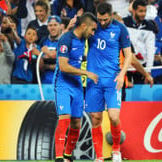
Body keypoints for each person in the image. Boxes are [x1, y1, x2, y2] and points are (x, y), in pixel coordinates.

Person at [85, 2, 152, 162]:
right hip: (93, 80)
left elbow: (130, 56)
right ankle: (99, 157)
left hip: (113, 80)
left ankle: (116, 151)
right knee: (95, 117)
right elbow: (75, 36)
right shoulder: (91, 26)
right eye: (100, 19)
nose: (102, 23)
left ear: (111, 14)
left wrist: (123, 74)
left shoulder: (120, 29)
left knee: (114, 117)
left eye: (105, 20)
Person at [54, 12, 98, 162]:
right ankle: (59, 158)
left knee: (76, 123)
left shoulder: (84, 40)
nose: (93, 33)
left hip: (77, 85)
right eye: (92, 30)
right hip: (63, 83)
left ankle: (67, 156)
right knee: (65, 119)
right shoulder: (66, 39)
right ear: (84, 26)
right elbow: (64, 66)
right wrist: (86, 73)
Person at [40, 15, 62, 84]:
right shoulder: (43, 41)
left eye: (55, 25)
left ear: (60, 26)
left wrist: (47, 65)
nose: (52, 28)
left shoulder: (65, 41)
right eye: (50, 25)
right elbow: (40, 64)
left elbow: (62, 64)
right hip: (44, 82)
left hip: (60, 83)